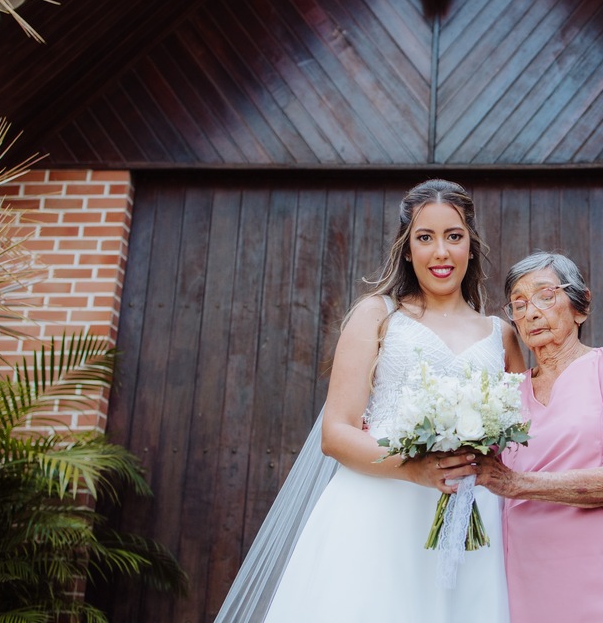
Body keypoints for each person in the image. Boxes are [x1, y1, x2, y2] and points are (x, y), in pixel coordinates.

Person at [215, 178, 524, 623]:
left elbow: (526, 435)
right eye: (425, 237)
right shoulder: (378, 315)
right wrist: (413, 468)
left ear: (471, 246)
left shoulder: (502, 335)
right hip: (378, 511)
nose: (441, 252)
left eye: (454, 236)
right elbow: (335, 433)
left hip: (472, 524)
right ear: (407, 249)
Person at [471, 251, 603, 623]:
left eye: (545, 296)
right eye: (519, 304)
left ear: (581, 307)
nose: (531, 313)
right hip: (529, 569)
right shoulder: (505, 393)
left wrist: (513, 483)